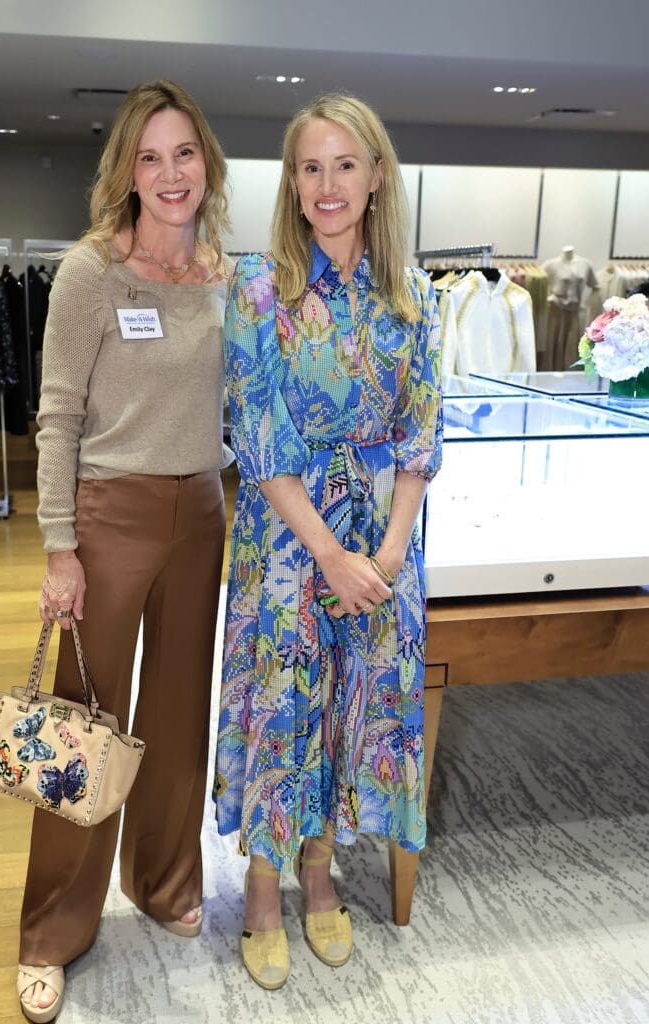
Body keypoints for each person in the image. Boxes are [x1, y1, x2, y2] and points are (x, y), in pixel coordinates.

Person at [214, 93, 443, 990]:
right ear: (292, 184)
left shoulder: (412, 295)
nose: (328, 184)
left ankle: (321, 875)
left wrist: (385, 555)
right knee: (284, 706)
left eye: (346, 164)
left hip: (383, 549)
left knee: (349, 708)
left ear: (377, 176)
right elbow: (261, 441)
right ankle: (264, 888)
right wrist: (331, 556)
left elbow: (423, 433)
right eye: (311, 167)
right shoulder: (259, 288)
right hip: (287, 541)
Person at [18, 79, 233, 1022]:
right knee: (81, 724)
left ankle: (163, 881)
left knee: (180, 712)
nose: (170, 172)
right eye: (151, 156)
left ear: (207, 164)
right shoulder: (91, 274)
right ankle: (52, 932)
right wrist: (59, 545)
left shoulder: (227, 275)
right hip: (110, 517)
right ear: (128, 174)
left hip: (203, 513)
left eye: (184, 153)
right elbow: (57, 417)